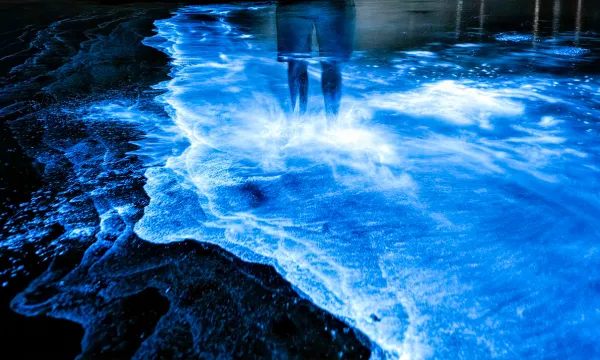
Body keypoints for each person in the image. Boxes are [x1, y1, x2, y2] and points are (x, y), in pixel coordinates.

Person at [276, 0, 355, 124]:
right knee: (329, 64)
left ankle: (299, 123)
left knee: (297, 63)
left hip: (296, 6)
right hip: (325, 5)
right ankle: (330, 126)